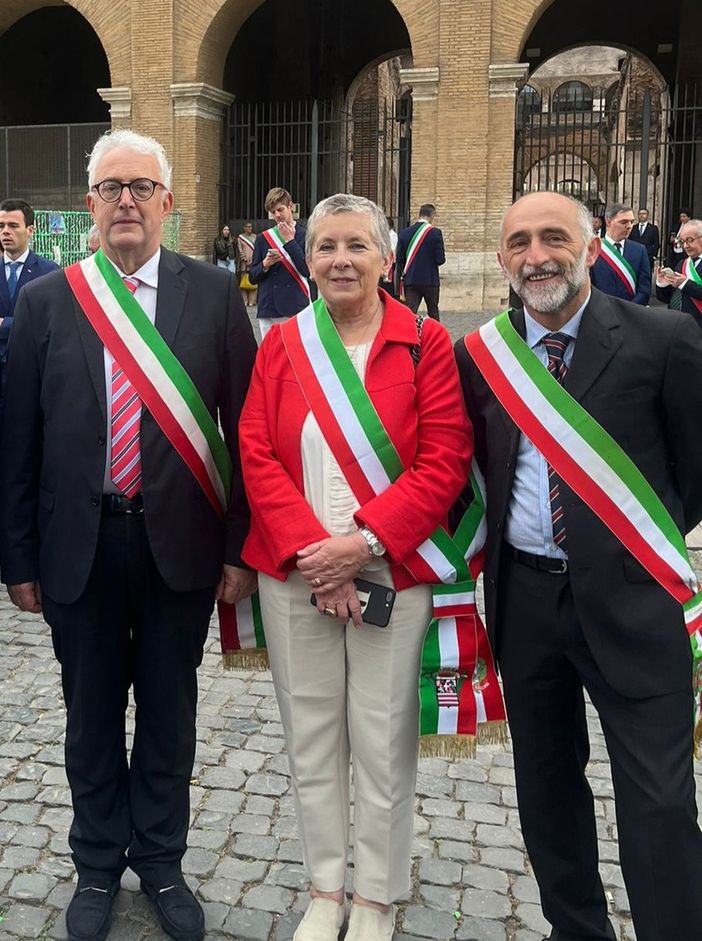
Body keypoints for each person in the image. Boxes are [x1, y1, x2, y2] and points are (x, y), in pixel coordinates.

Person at [0, 128, 258, 941]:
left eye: (141, 187)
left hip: (178, 546)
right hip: (79, 546)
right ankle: (97, 862)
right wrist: (17, 557)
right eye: (110, 187)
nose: (125, 201)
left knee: (171, 713)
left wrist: (239, 549)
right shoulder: (47, 301)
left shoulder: (214, 294)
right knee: (89, 717)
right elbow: (18, 441)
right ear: (88, 206)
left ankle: (163, 859)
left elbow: (248, 433)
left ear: (168, 203)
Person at [455, 191, 702, 941]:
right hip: (524, 599)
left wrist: (624, 545)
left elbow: (693, 475)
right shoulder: (481, 356)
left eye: (554, 238)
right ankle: (577, 929)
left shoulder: (665, 339)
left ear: (592, 248)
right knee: (547, 785)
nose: (538, 256)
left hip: (635, 600)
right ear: (503, 259)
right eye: (520, 242)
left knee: (657, 797)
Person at [239, 194, 471, 941]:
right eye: (326, 247)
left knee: (381, 736)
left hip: (392, 572)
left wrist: (362, 546)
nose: (341, 259)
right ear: (308, 262)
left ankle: (374, 895)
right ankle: (325, 886)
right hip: (297, 572)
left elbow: (445, 459)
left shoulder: (425, 343)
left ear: (386, 258)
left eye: (356, 246)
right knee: (310, 734)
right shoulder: (280, 346)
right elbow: (255, 452)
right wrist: (318, 554)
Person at [0, 198, 59, 392]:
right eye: (1, 226)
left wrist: (4, 324)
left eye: (13, 225)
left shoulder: (49, 273)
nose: (5, 231)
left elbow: (50, 324)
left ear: (30, 230)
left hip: (32, 376)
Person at [249, 186, 310, 340]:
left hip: (295, 305)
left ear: (291, 207)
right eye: (273, 212)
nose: (277, 215)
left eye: (280, 209)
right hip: (268, 306)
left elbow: (307, 270)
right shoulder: (264, 238)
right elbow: (252, 277)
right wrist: (265, 264)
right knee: (270, 358)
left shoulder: (306, 235)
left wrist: (290, 241)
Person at [589, 202, 651, 305]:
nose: (629, 226)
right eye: (623, 222)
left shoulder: (640, 250)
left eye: (631, 222)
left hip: (631, 314)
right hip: (601, 311)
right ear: (608, 222)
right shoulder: (594, 249)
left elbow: (644, 289)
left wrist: (628, 310)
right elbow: (588, 286)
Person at [396, 203, 445, 320]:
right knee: (433, 313)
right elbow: (440, 260)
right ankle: (435, 337)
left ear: (420, 215)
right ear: (432, 215)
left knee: (410, 313)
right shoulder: (435, 233)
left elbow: (399, 259)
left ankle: (409, 336)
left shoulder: (404, 233)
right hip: (430, 280)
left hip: (411, 280)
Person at [655, 217, 702, 325]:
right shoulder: (681, 264)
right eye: (682, 241)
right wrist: (662, 284)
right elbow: (668, 298)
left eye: (690, 240)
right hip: (677, 325)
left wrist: (685, 284)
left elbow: (686, 287)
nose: (685, 246)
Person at [236, 221, 257, 307]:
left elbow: (257, 248)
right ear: (244, 228)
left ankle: (252, 301)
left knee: (254, 281)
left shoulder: (255, 237)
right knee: (244, 281)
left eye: (251, 227)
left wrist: (255, 259)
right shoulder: (240, 238)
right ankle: (244, 300)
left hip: (254, 261)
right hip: (244, 263)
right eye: (248, 227)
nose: (250, 229)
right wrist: (244, 258)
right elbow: (240, 249)